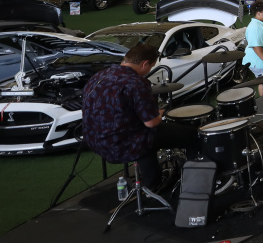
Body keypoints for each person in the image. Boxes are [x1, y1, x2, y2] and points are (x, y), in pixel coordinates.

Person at [82, 43, 198, 190]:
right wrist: (159, 114)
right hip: (120, 145)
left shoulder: (99, 76)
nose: (149, 70)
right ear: (145, 64)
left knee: (144, 135)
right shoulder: (136, 82)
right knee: (191, 135)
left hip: (94, 141)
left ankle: (152, 182)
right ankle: (186, 181)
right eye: (151, 66)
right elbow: (152, 123)